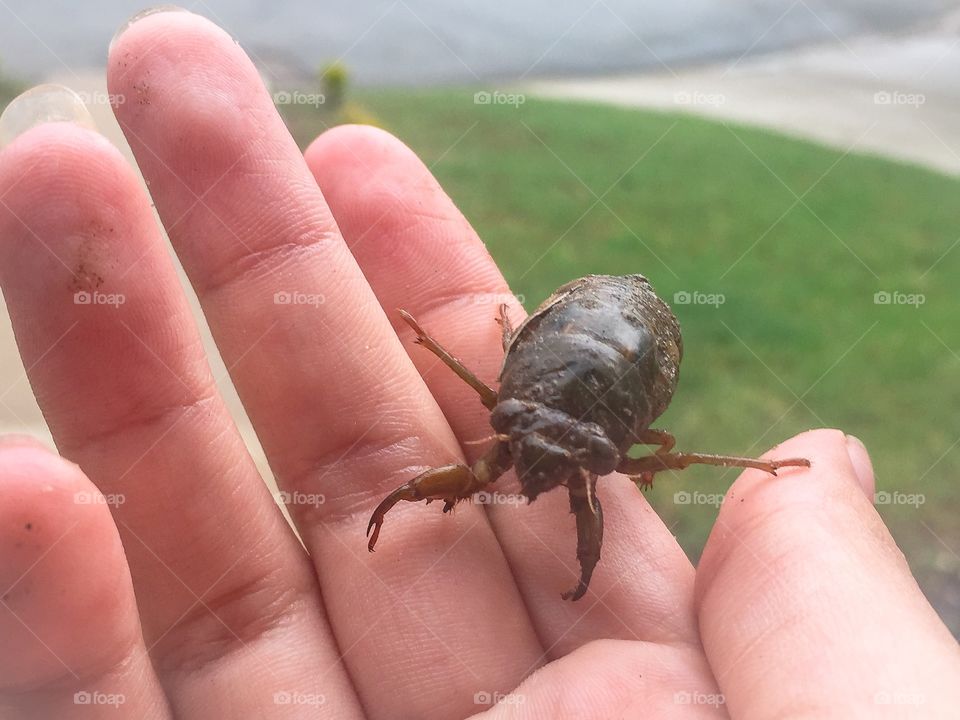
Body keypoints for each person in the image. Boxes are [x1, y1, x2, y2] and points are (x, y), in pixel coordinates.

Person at [0, 8, 957, 719]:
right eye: (516, 449)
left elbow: (523, 414)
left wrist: (730, 467)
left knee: (568, 452)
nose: (530, 479)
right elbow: (504, 410)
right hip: (581, 378)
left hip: (587, 369)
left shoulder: (551, 448)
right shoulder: (546, 447)